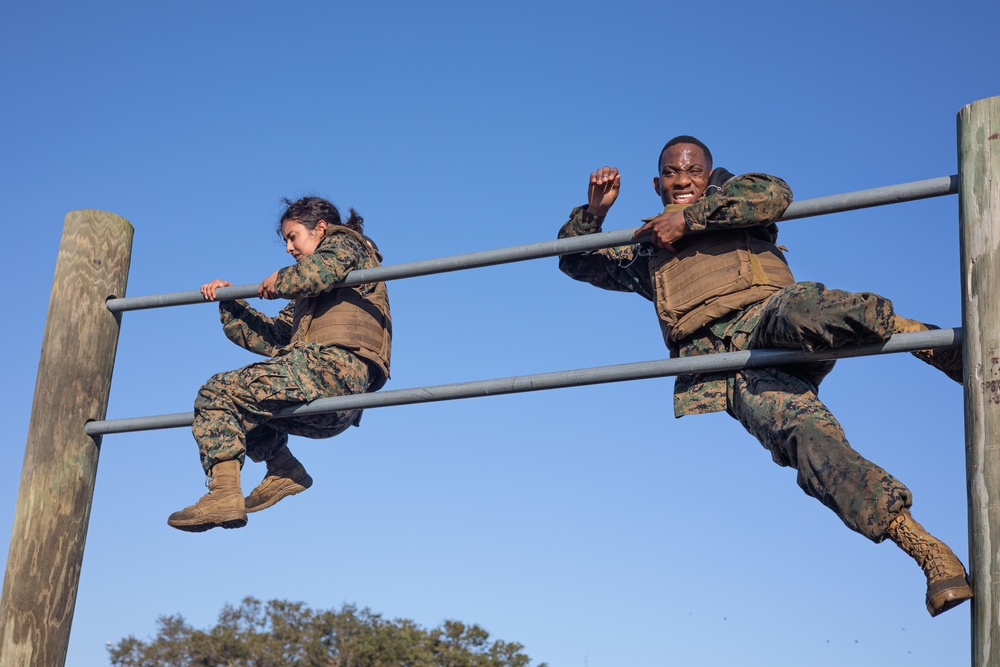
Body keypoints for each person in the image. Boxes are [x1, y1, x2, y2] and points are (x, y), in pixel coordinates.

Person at [556, 136, 971, 616]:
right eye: (672, 173)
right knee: (812, 445)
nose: (682, 180)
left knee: (811, 310)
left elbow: (774, 192)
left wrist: (688, 220)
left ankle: (930, 344)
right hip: (731, 366)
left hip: (771, 318)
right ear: (657, 182)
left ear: (708, 177)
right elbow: (574, 259)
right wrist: (595, 213)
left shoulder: (734, 201)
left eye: (692, 171)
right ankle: (929, 553)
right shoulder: (648, 252)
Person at [168, 196, 391, 532]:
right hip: (324, 398)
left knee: (216, 393)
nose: (288, 248)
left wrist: (282, 280)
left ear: (319, 229)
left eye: (292, 237)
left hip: (334, 371)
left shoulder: (346, 245)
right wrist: (233, 304)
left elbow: (317, 272)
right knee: (245, 407)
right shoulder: (310, 289)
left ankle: (224, 495)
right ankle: (283, 468)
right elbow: (274, 338)